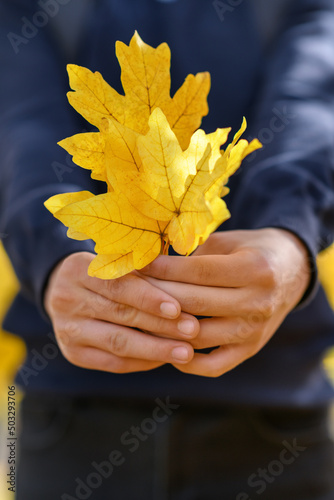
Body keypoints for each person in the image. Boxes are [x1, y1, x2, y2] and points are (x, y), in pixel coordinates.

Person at [1, 0, 334, 498]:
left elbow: (312, 96)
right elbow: (23, 123)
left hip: (275, 416)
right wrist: (54, 259)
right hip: (74, 419)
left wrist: (288, 235)